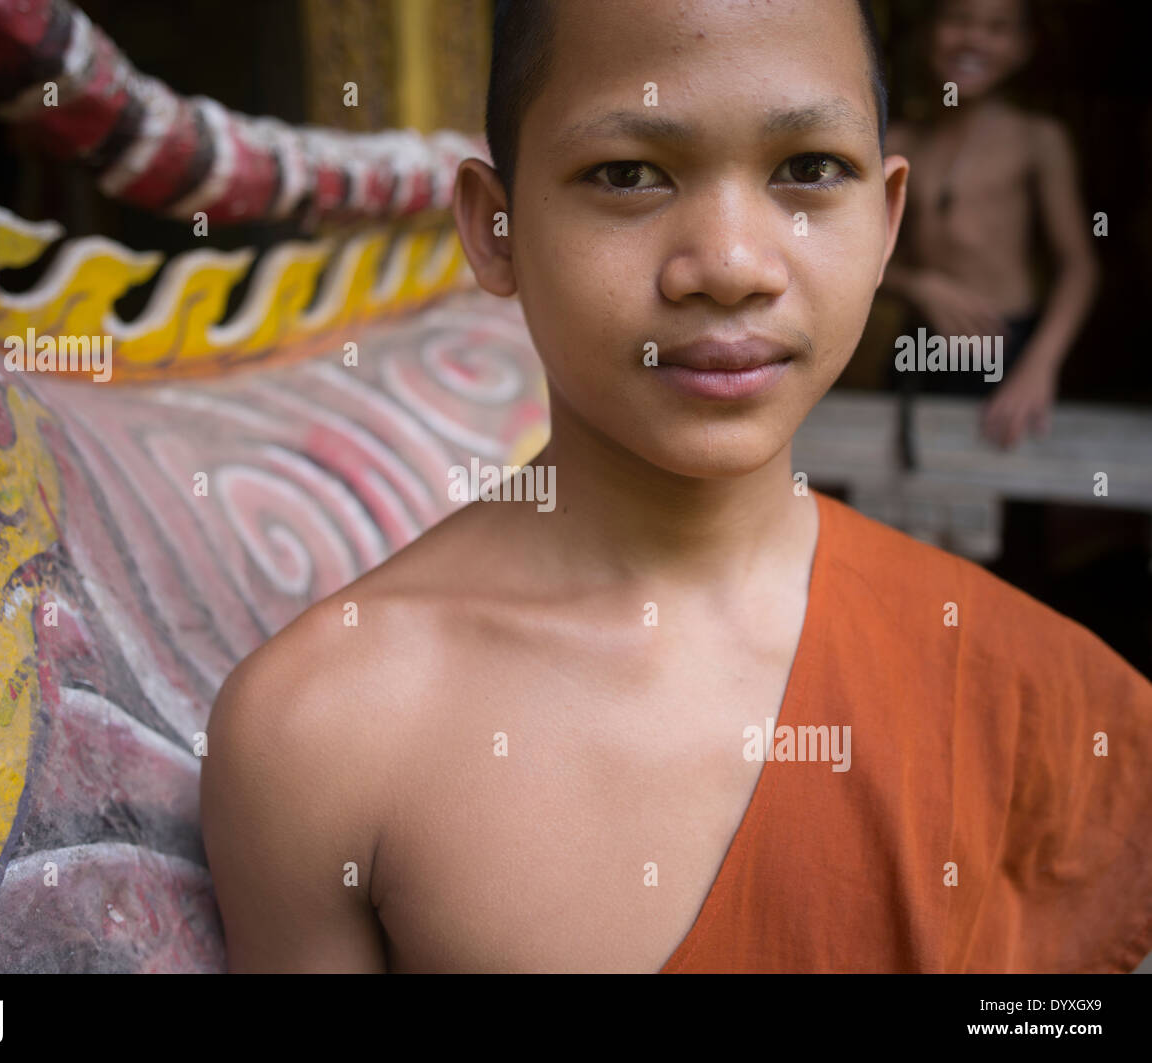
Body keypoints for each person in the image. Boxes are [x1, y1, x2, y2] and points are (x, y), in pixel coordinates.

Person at [200, 0, 1152, 973]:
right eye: (627, 174)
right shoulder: (321, 730)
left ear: (884, 221)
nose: (732, 267)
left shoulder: (1039, 695)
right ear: (495, 228)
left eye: (808, 170)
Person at [881, 0, 1099, 453]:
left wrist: (1039, 366)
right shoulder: (900, 142)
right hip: (920, 346)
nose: (974, 39)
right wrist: (920, 285)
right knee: (906, 484)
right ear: (930, 33)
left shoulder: (1037, 139)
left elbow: (1079, 266)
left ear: (1023, 48)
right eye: (958, 20)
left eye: (997, 28)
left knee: (1006, 491)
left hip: (1008, 348)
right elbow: (861, 258)